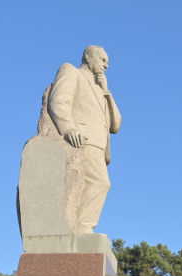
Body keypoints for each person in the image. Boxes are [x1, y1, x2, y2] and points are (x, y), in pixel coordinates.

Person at [41, 45, 123, 233]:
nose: (106, 65)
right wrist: (68, 128)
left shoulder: (101, 90)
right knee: (100, 182)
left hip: (99, 146)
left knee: (97, 184)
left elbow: (116, 125)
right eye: (103, 60)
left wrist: (106, 92)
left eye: (107, 62)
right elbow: (59, 101)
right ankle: (83, 228)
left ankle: (80, 227)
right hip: (82, 140)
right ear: (88, 56)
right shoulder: (71, 71)